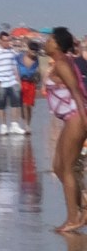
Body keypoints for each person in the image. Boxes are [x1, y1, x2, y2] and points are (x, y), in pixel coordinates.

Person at [43, 28, 87, 235]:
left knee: (67, 168)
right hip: (71, 119)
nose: (46, 41)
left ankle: (73, 218)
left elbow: (76, 90)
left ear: (57, 44)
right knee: (58, 167)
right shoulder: (59, 63)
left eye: (50, 39)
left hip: (77, 118)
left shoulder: (62, 63)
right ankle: (83, 205)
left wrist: (85, 120)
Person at [0, 34, 25, 135]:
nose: (8, 43)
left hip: (12, 80)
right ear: (0, 41)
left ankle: (14, 125)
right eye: (5, 41)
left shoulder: (11, 51)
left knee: (16, 103)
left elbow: (14, 66)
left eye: (9, 40)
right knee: (1, 104)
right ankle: (3, 126)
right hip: (0, 81)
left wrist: (18, 80)